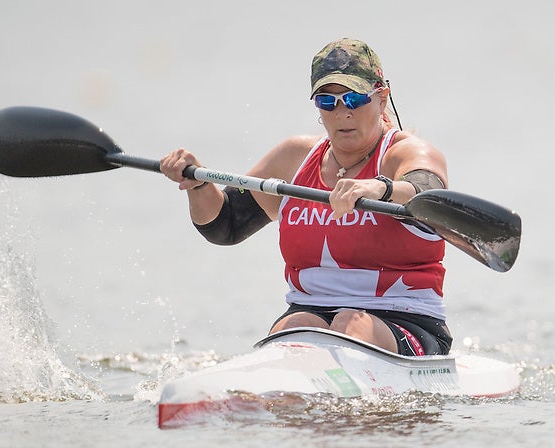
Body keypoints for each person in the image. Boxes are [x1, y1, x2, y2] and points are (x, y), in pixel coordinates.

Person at [160, 38, 452, 356]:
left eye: (354, 99)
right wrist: (198, 184)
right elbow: (226, 224)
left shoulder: (406, 152)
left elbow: (426, 189)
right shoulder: (293, 158)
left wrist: (378, 187)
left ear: (382, 98)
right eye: (327, 102)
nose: (342, 113)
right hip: (311, 313)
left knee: (348, 324)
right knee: (294, 327)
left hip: (405, 322)